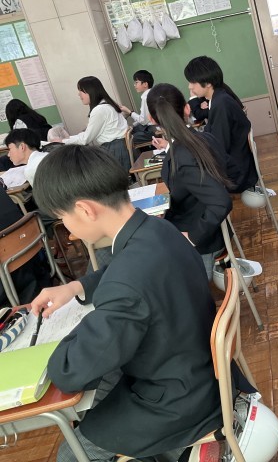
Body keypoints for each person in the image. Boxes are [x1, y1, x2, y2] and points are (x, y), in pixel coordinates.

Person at [30, 145, 224, 461]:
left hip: (176, 401)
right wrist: (76, 286)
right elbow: (124, 272)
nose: (67, 230)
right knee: (104, 390)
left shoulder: (126, 283)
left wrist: (53, 341)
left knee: (71, 454)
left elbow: (69, 373)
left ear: (85, 209)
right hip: (199, 370)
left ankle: (178, 449)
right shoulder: (160, 228)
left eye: (63, 218)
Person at [147, 83, 232, 281]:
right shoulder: (204, 138)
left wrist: (192, 236)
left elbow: (221, 202)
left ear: (152, 120)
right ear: (187, 108)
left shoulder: (182, 157)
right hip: (209, 228)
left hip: (198, 237)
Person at [184, 56, 258, 193]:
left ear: (207, 83)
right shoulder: (218, 98)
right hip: (236, 164)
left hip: (236, 174)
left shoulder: (221, 104)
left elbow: (218, 145)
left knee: (189, 179)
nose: (190, 86)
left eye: (192, 82)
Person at [53, 76, 130, 171]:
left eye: (81, 91)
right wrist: (68, 139)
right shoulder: (107, 104)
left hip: (115, 151)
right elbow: (88, 133)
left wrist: (63, 141)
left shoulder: (99, 110)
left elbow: (86, 139)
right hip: (121, 148)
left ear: (90, 91)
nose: (79, 94)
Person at [119, 69, 157, 144]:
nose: (134, 85)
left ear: (145, 84)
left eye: (136, 82)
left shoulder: (146, 97)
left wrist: (129, 112)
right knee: (132, 130)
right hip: (154, 127)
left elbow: (143, 121)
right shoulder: (153, 93)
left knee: (127, 139)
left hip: (152, 130)